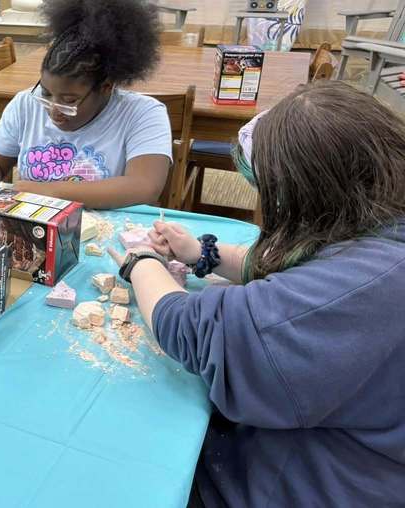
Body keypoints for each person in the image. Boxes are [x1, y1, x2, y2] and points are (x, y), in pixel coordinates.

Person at [110, 81, 405, 506]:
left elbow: (196, 330)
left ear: (307, 200)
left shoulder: (366, 290)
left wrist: (141, 263)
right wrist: (204, 254)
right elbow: (319, 258)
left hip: (310, 483)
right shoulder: (380, 217)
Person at [0, 0, 172, 208]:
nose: (53, 110)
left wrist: (50, 191)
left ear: (106, 87)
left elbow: (144, 186)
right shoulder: (26, 104)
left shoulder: (143, 114)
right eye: (46, 93)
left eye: (69, 101)